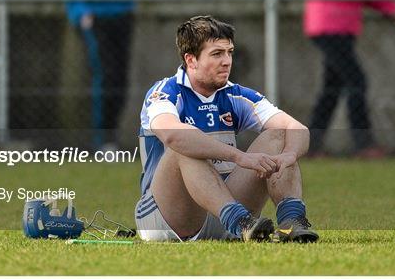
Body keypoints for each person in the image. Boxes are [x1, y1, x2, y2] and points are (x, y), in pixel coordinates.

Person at [135, 16, 319, 243]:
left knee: (278, 136)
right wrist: (239, 157)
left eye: (229, 52)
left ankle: (291, 222)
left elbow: (296, 128)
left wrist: (289, 155)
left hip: (226, 213)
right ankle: (240, 222)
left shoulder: (236, 95)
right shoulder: (165, 92)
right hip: (167, 219)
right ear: (191, 60)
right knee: (184, 146)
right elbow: (173, 135)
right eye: (216, 54)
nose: (227, 61)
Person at [304, 0, 395, 158]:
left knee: (332, 89)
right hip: (328, 28)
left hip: (344, 30)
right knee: (357, 81)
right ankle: (363, 145)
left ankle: (312, 145)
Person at [55, 0, 134, 149]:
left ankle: (112, 137)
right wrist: (81, 11)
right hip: (95, 16)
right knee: (106, 74)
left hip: (121, 13)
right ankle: (103, 140)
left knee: (120, 77)